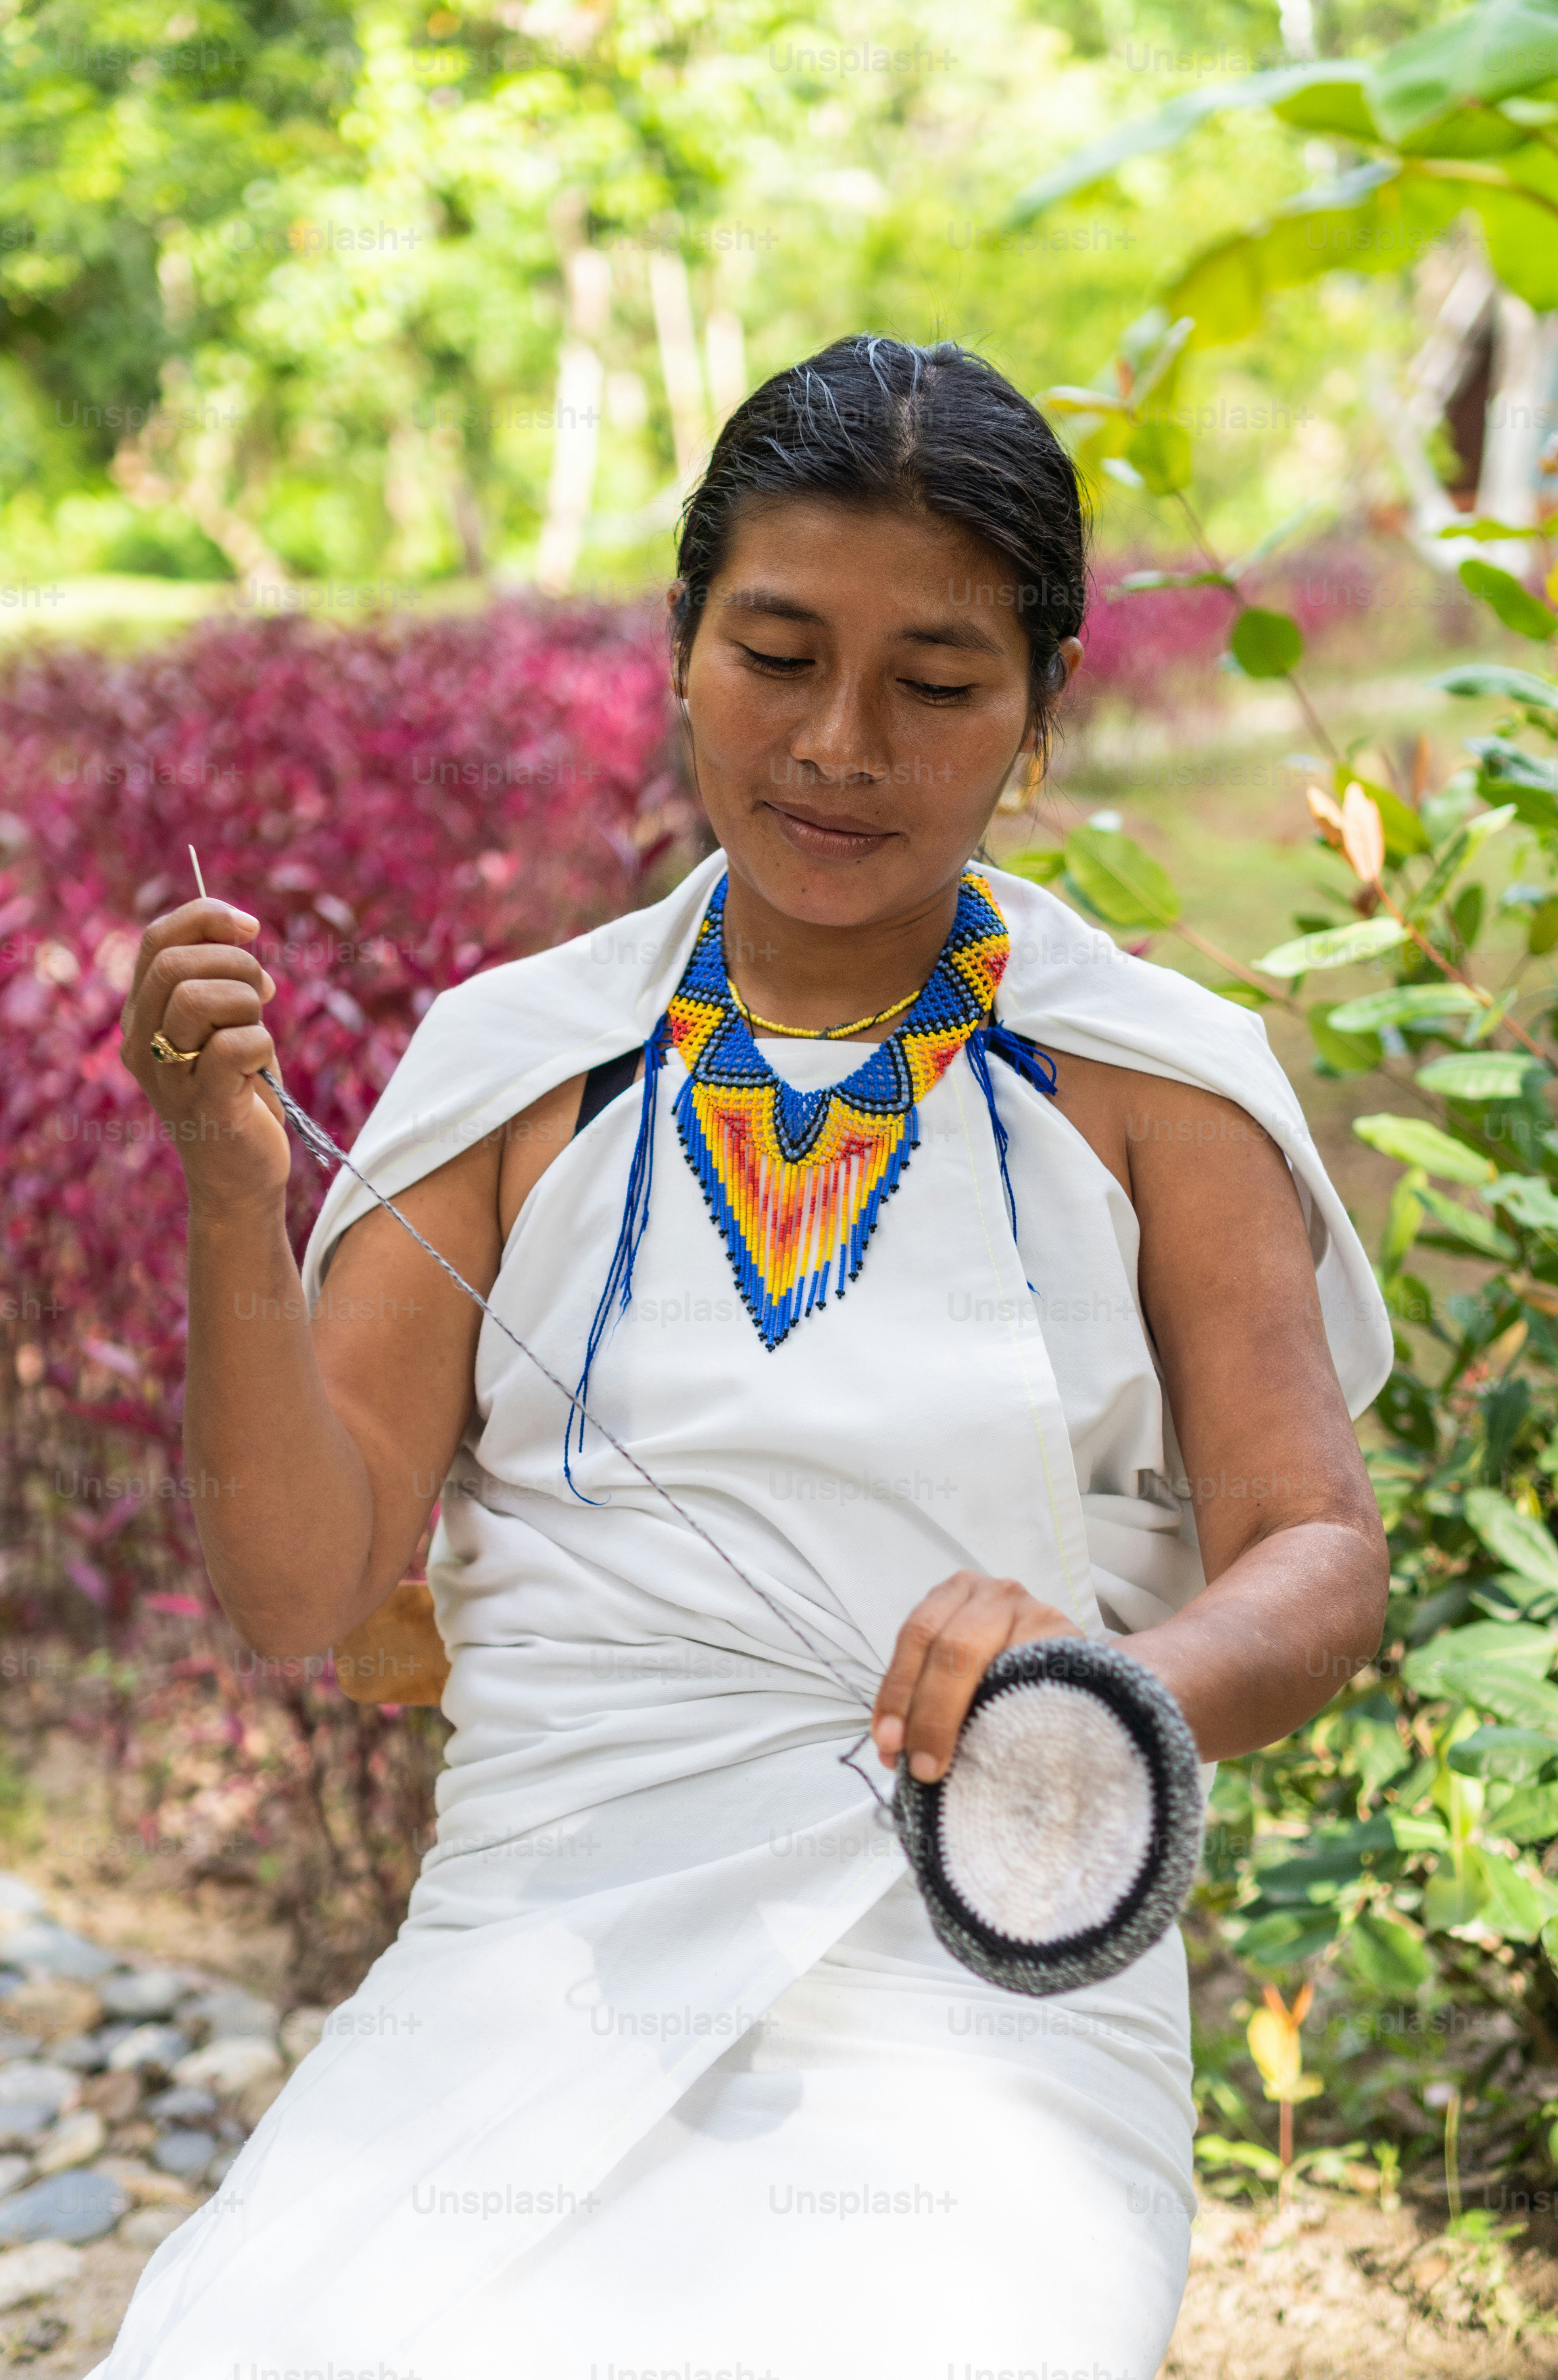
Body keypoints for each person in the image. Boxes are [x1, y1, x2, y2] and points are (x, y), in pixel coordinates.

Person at [98, 334, 1391, 2380]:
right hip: (530, 1969)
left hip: (991, 1979)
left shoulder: (1154, 1091)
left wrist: (1104, 1693)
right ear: (684, 651)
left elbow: (1317, 1552)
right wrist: (227, 1183)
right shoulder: (521, 1071)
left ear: (1041, 712)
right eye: (778, 656)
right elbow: (302, 1589)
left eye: (939, 684)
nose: (845, 745)